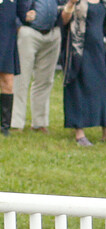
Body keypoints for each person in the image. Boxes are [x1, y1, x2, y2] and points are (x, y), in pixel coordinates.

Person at [60, 0, 106, 146]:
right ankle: (79, 134)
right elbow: (64, 20)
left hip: (98, 51)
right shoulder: (78, 2)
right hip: (78, 51)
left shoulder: (103, 2)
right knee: (78, 89)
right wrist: (70, 4)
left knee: (104, 88)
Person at [12, 0, 61, 133]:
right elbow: (8, 6)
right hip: (28, 31)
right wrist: (19, 26)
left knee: (45, 80)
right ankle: (15, 123)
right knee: (21, 78)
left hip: (52, 34)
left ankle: (39, 123)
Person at [0, 0, 35, 136]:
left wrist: (30, 15)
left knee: (8, 81)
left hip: (7, 38)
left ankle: (4, 126)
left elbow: (22, 14)